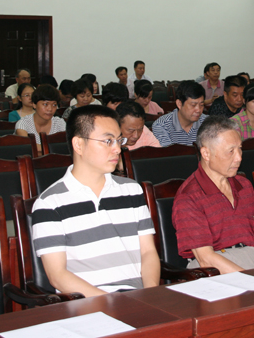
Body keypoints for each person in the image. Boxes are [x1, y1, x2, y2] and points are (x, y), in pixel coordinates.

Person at [31, 106, 160, 295]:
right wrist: (111, 302)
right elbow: (57, 275)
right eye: (108, 141)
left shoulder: (131, 190)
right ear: (78, 145)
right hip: (87, 303)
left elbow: (148, 252)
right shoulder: (49, 203)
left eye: (119, 140)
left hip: (137, 298)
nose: (117, 149)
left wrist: (151, 295)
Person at [172, 116, 254, 272]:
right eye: (231, 151)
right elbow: (205, 258)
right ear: (206, 153)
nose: (239, 157)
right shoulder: (189, 197)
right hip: (216, 270)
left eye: (240, 148)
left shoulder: (243, 185)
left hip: (253, 260)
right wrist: (250, 280)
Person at [152, 80, 208, 146]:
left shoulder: (208, 123)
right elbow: (168, 152)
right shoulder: (162, 125)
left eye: (201, 105)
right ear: (179, 104)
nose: (198, 110)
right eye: (193, 105)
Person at [16, 84, 66, 151]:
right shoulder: (23, 125)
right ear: (34, 104)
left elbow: (67, 147)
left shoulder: (60, 123)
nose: (50, 109)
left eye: (54, 105)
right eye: (45, 104)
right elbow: (30, 148)